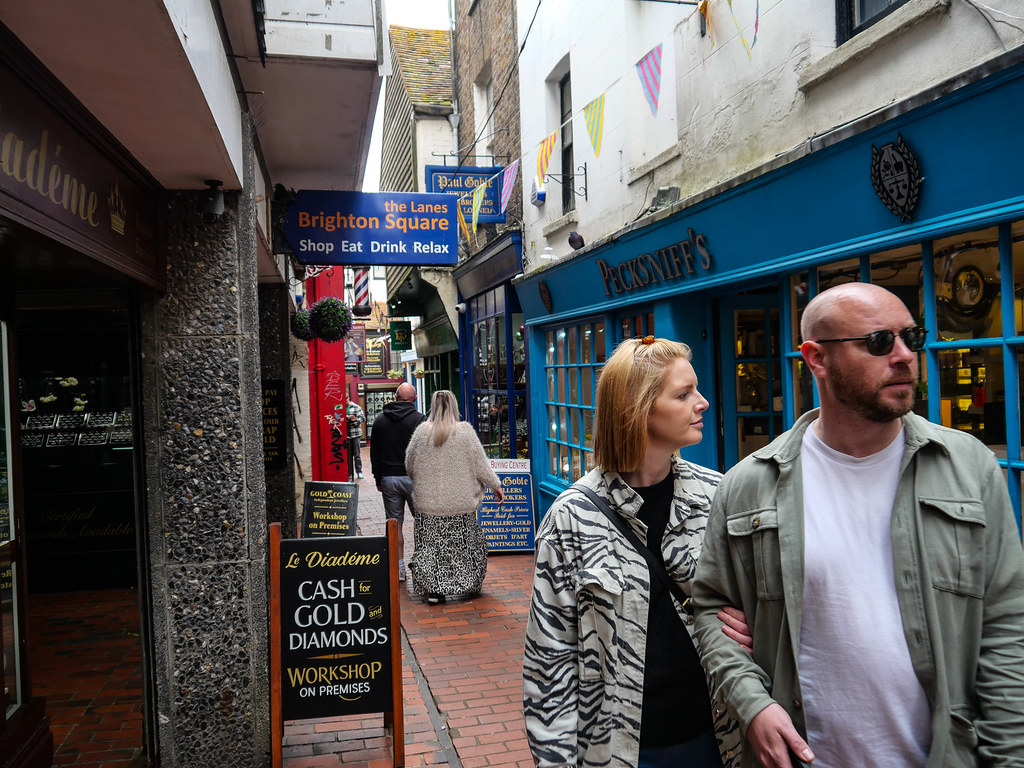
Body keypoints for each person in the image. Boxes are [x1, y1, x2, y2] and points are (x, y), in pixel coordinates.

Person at [693, 282, 1024, 768]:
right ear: (816, 359)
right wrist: (753, 705)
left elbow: (1006, 623)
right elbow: (712, 609)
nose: (905, 355)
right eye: (879, 342)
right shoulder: (749, 484)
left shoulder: (968, 466)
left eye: (912, 336)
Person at [523, 336, 748, 768]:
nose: (702, 403)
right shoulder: (571, 518)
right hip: (619, 750)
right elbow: (549, 663)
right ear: (638, 408)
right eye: (683, 394)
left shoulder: (717, 495)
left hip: (719, 740)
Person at [404, 389, 505, 604]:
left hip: (428, 504)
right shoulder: (465, 432)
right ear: (455, 406)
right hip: (460, 504)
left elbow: (409, 464)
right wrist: (496, 485)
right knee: (464, 547)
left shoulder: (422, 432)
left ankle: (434, 591)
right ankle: (467, 584)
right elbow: (481, 466)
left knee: (430, 549)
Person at [370, 382, 424, 582]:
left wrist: (378, 478)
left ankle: (399, 569)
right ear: (415, 399)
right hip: (414, 479)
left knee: (395, 525)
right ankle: (420, 565)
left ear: (395, 396)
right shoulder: (420, 420)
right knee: (422, 523)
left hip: (389, 478)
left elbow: (374, 454)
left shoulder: (380, 421)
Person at [346, 397, 365, 479]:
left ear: (348, 398)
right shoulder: (340, 407)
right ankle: (349, 473)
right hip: (346, 434)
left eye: (345, 399)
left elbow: (363, 418)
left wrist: (354, 420)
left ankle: (359, 471)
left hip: (355, 434)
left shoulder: (356, 407)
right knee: (348, 455)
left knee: (357, 454)